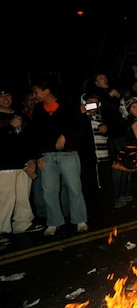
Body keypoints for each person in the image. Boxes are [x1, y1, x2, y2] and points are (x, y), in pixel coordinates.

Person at [31, 81, 88, 236]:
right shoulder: (38, 109)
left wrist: (65, 136)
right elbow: (34, 134)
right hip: (47, 156)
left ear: (46, 90)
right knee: (49, 191)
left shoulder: (68, 106)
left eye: (37, 92)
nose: (35, 96)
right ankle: (54, 222)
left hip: (68, 153)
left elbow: (80, 126)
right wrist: (37, 156)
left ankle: (80, 220)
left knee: (74, 188)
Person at [0, 86, 43, 243]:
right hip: (4, 165)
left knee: (23, 196)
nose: (5, 98)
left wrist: (32, 158)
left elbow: (30, 139)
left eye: (8, 95)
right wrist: (9, 126)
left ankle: (22, 223)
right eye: (1, 96)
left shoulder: (21, 116)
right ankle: (2, 229)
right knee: (5, 198)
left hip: (23, 163)